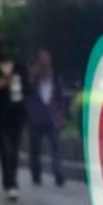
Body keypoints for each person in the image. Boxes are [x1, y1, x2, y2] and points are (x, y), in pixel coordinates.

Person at [0, 38, 28, 201]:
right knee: (4, 147)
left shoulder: (19, 67)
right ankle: (10, 182)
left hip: (17, 112)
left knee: (15, 148)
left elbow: (27, 88)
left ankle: (12, 179)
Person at [27, 49, 66, 187]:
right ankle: (36, 174)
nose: (45, 65)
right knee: (35, 150)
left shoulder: (55, 79)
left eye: (47, 62)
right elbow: (27, 95)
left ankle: (58, 173)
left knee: (56, 148)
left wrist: (61, 117)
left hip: (52, 119)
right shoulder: (33, 79)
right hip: (36, 119)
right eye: (42, 62)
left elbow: (60, 99)